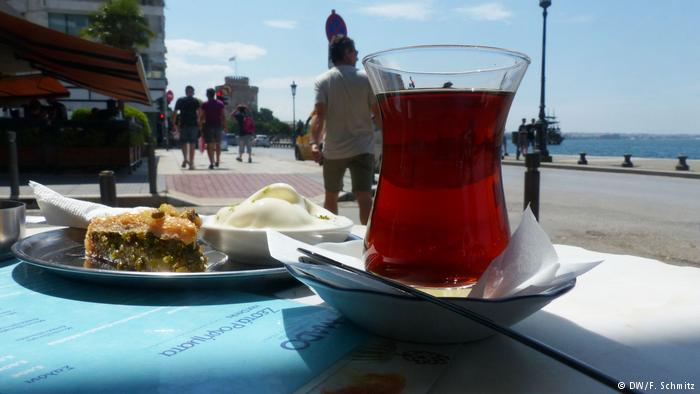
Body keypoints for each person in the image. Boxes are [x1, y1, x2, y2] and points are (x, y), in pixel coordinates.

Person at [311, 35, 381, 225]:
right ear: (347, 53)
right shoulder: (366, 79)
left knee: (331, 196)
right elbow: (378, 114)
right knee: (364, 196)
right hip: (363, 148)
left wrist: (314, 144)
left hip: (334, 150)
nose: (357, 56)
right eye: (355, 52)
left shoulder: (323, 81)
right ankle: (367, 239)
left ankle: (331, 234)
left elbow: (319, 115)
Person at [172, 85, 200, 170]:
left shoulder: (180, 100)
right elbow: (199, 112)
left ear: (186, 92)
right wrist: (199, 123)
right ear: (191, 92)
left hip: (183, 125)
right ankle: (191, 163)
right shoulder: (195, 101)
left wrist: (174, 123)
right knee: (192, 144)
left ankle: (185, 159)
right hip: (193, 125)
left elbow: (175, 112)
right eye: (193, 91)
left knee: (183, 143)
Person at [199, 88, 226, 170]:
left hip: (208, 126)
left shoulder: (205, 104)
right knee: (218, 144)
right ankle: (217, 160)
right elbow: (223, 116)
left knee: (210, 145)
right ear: (214, 94)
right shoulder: (220, 103)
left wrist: (200, 125)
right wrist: (225, 126)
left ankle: (211, 162)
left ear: (207, 94)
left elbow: (202, 116)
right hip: (218, 126)